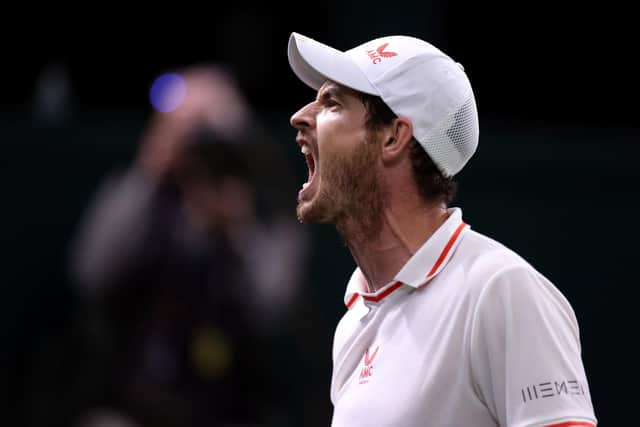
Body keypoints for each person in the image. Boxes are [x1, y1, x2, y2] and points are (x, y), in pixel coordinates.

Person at [286, 32, 597, 427]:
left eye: (332, 102)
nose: (300, 116)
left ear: (394, 137)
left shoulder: (500, 289)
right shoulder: (354, 321)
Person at [66, 63, 326, 427]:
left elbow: (275, 306)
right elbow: (90, 270)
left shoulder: (267, 214)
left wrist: (238, 228)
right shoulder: (147, 200)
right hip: (136, 404)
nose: (205, 165)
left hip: (234, 408)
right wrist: (152, 165)